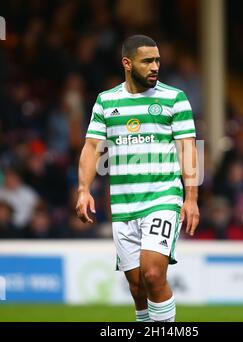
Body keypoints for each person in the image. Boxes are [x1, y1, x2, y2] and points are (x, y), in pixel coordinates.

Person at [76, 35, 199, 322]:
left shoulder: (174, 98)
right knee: (137, 285)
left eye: (157, 60)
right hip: (123, 204)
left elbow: (188, 149)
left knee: (153, 274)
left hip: (162, 197)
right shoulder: (106, 101)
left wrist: (191, 198)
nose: (155, 66)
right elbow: (92, 147)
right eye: (147, 61)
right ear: (127, 63)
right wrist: (83, 189)